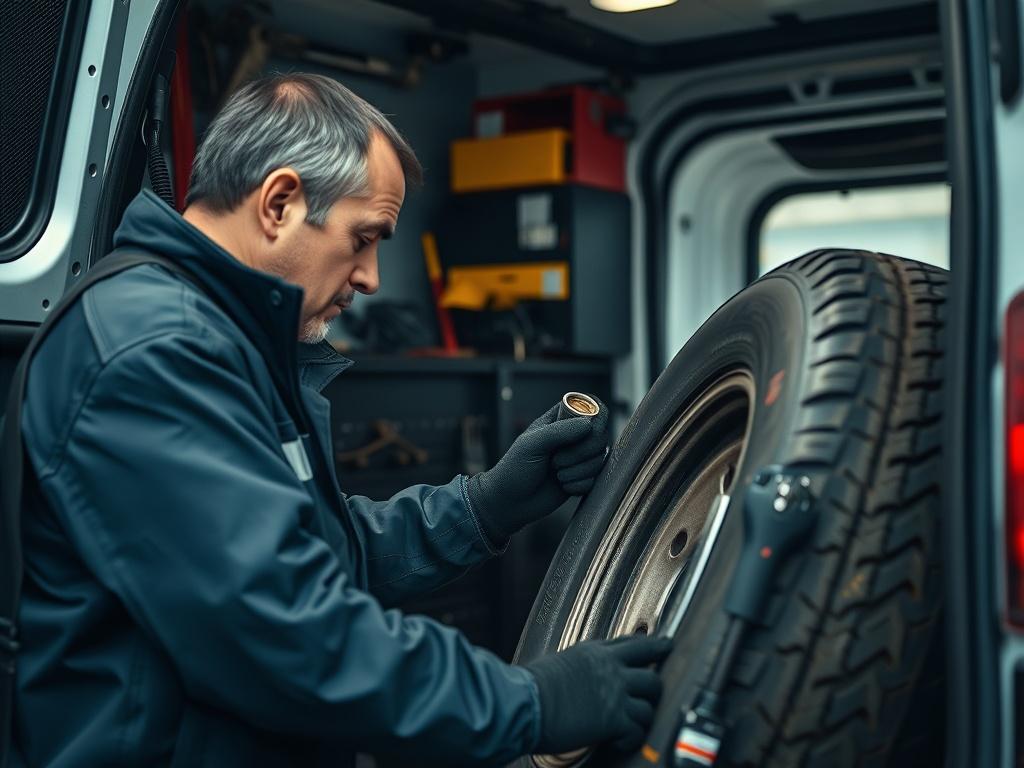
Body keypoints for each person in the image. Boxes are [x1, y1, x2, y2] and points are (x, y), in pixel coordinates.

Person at [13, 73, 669, 766]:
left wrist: (484, 507)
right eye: (364, 238)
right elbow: (281, 633)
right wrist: (528, 703)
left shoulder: (224, 339)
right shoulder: (155, 352)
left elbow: (313, 551)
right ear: (280, 203)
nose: (372, 279)